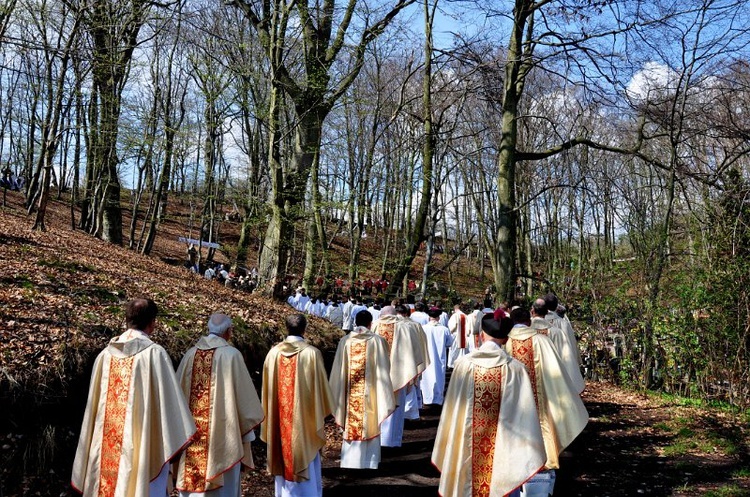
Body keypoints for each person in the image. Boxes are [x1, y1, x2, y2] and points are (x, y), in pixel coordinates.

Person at [72, 298, 196, 497]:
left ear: (127, 320)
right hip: (142, 447)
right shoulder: (155, 354)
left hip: (105, 450)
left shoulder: (105, 356)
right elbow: (169, 408)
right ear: (152, 322)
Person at [432, 315, 546, 497]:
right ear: (506, 339)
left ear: (481, 336)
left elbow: (453, 411)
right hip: (505, 444)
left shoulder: (463, 365)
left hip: (467, 445)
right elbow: (524, 416)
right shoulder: (516, 369)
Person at [174, 313, 264, 497]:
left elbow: (176, 398)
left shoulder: (190, 355)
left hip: (192, 437)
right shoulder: (231, 356)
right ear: (229, 332)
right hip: (223, 439)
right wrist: (246, 435)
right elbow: (245, 404)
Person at [506, 307, 589, 496]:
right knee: (542, 442)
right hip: (540, 407)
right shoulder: (542, 341)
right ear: (529, 321)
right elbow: (557, 374)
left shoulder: (505, 342)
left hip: (511, 407)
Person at [261, 314, 333, 496]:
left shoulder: (273, 353)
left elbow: (266, 392)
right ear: (304, 329)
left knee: (284, 453)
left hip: (280, 420)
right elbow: (321, 390)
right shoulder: (311, 354)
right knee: (305, 453)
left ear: (286, 328)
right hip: (305, 422)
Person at [329, 310, 395, 468]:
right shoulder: (377, 341)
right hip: (370, 393)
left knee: (352, 420)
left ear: (355, 322)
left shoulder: (345, 341)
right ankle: (369, 462)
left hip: (349, 393)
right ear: (370, 323)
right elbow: (385, 368)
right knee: (369, 420)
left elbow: (337, 371)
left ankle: (349, 461)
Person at [371, 306, 426, 447]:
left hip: (377, 375)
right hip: (399, 374)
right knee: (397, 408)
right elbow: (414, 352)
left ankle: (377, 438)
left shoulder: (375, 325)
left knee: (377, 405)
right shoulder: (404, 327)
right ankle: (392, 441)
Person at [531, 298, 585, 394]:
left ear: (533, 311)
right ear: (556, 307)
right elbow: (569, 345)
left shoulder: (526, 327)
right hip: (554, 370)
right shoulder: (562, 324)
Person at [419, 307, 454, 406]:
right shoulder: (444, 329)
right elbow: (449, 343)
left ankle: (427, 399)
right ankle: (438, 399)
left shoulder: (423, 328)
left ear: (429, 317)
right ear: (439, 317)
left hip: (427, 357)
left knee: (427, 377)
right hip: (439, 357)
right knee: (439, 377)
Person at [447, 304, 469, 368]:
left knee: (454, 351)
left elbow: (452, 326)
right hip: (464, 336)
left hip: (456, 336)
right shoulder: (465, 316)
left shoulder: (455, 315)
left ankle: (452, 365)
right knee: (462, 351)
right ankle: (462, 364)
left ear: (455, 309)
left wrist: (450, 332)